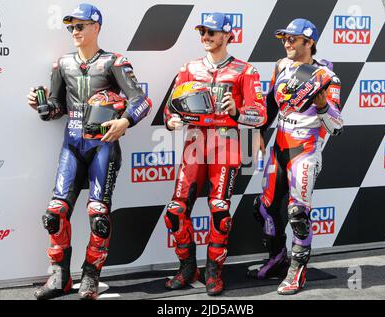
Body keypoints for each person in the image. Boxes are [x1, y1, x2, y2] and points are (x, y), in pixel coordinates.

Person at [27, 3, 151, 300]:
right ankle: (59, 278)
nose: (74, 31)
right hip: (72, 144)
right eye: (70, 27)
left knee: (98, 214)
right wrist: (42, 105)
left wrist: (124, 121)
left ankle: (91, 277)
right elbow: (56, 107)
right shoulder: (63, 64)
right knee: (54, 214)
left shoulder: (114, 62)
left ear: (96, 27)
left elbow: (141, 101)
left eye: (80, 26)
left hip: (102, 146)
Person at [163, 12, 267, 296]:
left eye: (211, 32)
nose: (205, 37)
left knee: (219, 211)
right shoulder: (189, 68)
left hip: (225, 144)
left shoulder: (246, 71)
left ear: (227, 35)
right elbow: (170, 110)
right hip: (194, 143)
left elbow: (260, 114)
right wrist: (172, 120)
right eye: (202, 33)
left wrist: (235, 111)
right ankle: (187, 267)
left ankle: (213, 271)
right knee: (175, 213)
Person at [251, 18, 343, 295]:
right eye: (284, 39)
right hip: (279, 146)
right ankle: (277, 259)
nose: (287, 43)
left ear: (309, 42)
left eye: (292, 39)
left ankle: (297, 271)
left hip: (305, 150)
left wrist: (323, 105)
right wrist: (259, 132)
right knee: (264, 208)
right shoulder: (281, 65)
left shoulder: (327, 76)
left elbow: (336, 127)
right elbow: (269, 104)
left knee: (298, 213)